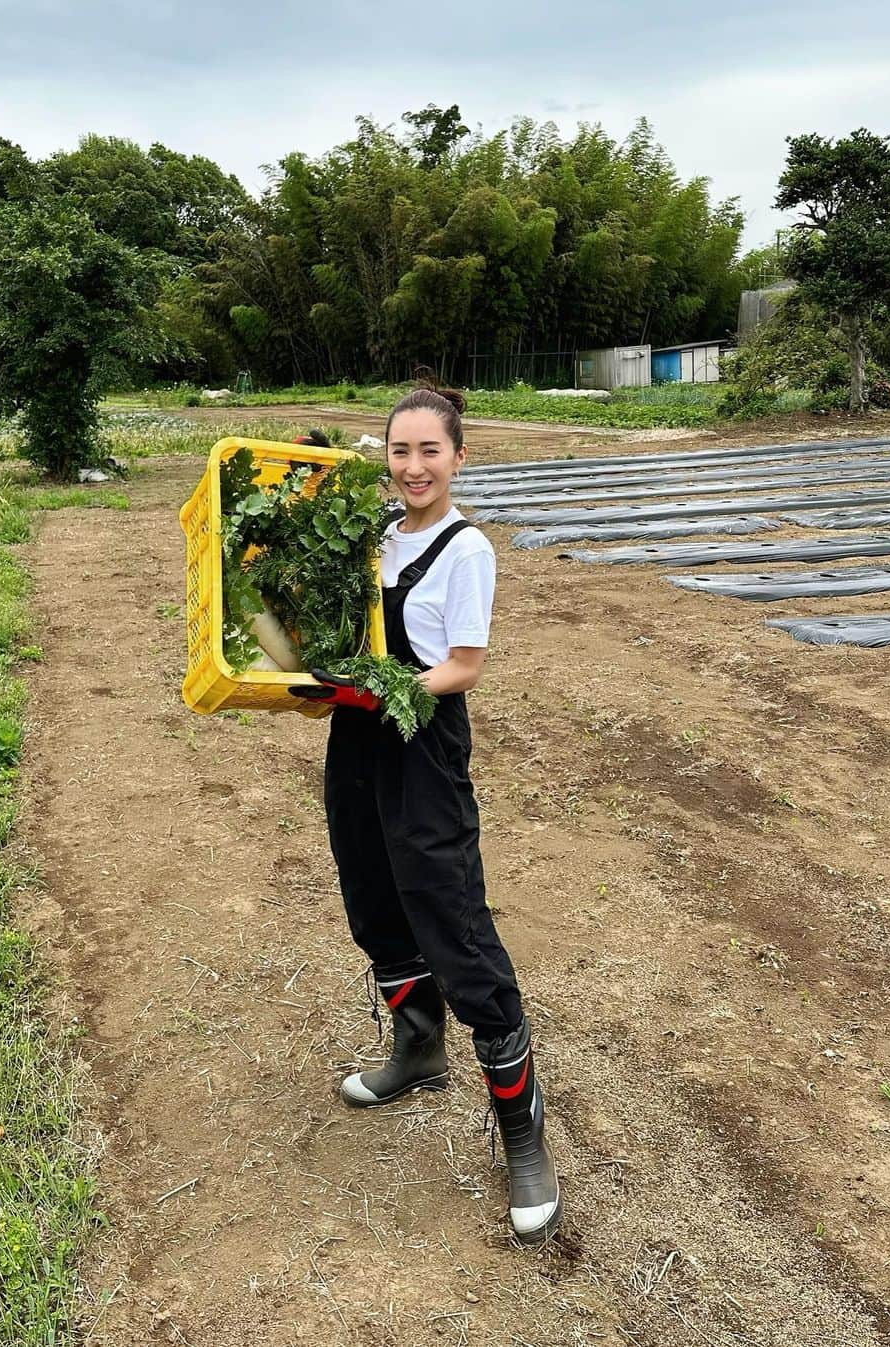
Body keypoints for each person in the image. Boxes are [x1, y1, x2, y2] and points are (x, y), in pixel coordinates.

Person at [302, 386, 562, 1245]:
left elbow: (463, 665)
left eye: (429, 452)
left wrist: (381, 689)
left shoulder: (466, 547)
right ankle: (417, 1048)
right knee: (372, 895)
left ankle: (522, 1131)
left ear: (458, 457)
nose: (412, 467)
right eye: (400, 451)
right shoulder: (369, 532)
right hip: (358, 737)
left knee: (450, 914)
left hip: (422, 738)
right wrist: (323, 689)